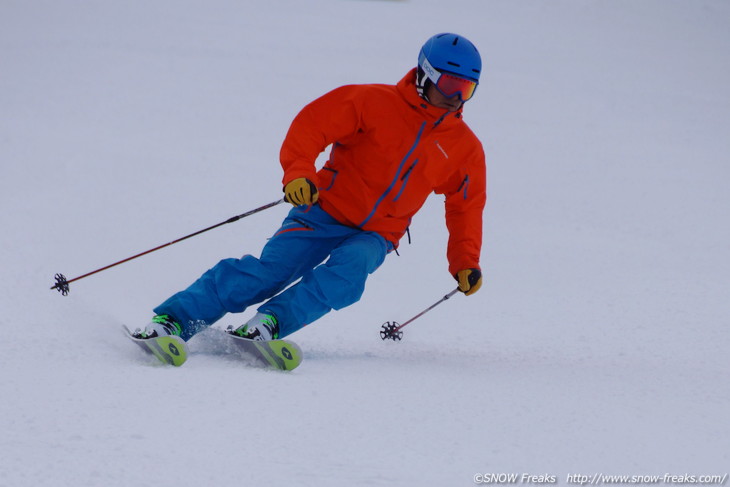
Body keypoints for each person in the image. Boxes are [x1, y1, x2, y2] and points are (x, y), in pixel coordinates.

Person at [133, 32, 487, 343]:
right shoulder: (372, 103)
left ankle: (270, 324)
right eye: (450, 85)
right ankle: (174, 320)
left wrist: (465, 262)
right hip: (322, 210)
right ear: (425, 74)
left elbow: (465, 206)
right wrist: (299, 174)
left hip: (378, 234)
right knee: (269, 273)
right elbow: (312, 125)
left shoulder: (464, 148)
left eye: (467, 89)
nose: (457, 97)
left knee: (350, 270)